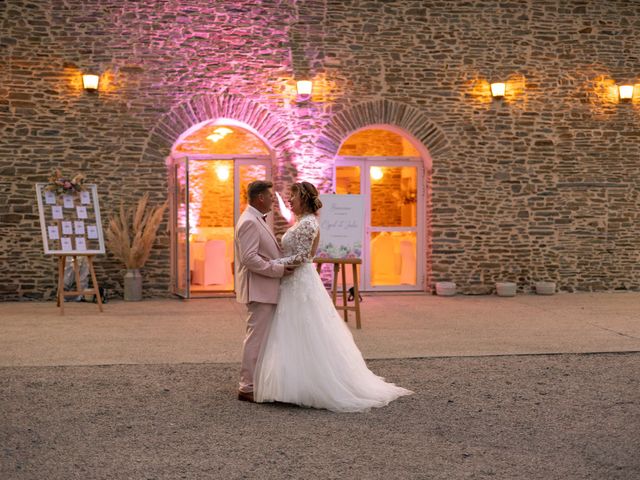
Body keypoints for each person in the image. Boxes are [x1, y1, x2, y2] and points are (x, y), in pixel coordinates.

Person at [254, 181, 413, 412]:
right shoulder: (300, 222)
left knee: (305, 331)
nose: (289, 200)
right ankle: (290, 383)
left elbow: (301, 257)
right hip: (291, 283)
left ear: (305, 199)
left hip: (300, 282)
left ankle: (309, 385)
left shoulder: (308, 224)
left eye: (294, 196)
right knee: (291, 331)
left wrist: (272, 264)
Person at [234, 180, 294, 403]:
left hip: (266, 288)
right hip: (259, 289)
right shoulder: (249, 221)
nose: (273, 200)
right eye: (270, 196)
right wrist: (277, 269)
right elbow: (249, 258)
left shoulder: (257, 218)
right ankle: (247, 386)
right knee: (256, 338)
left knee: (263, 338)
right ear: (260, 198)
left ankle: (257, 381)